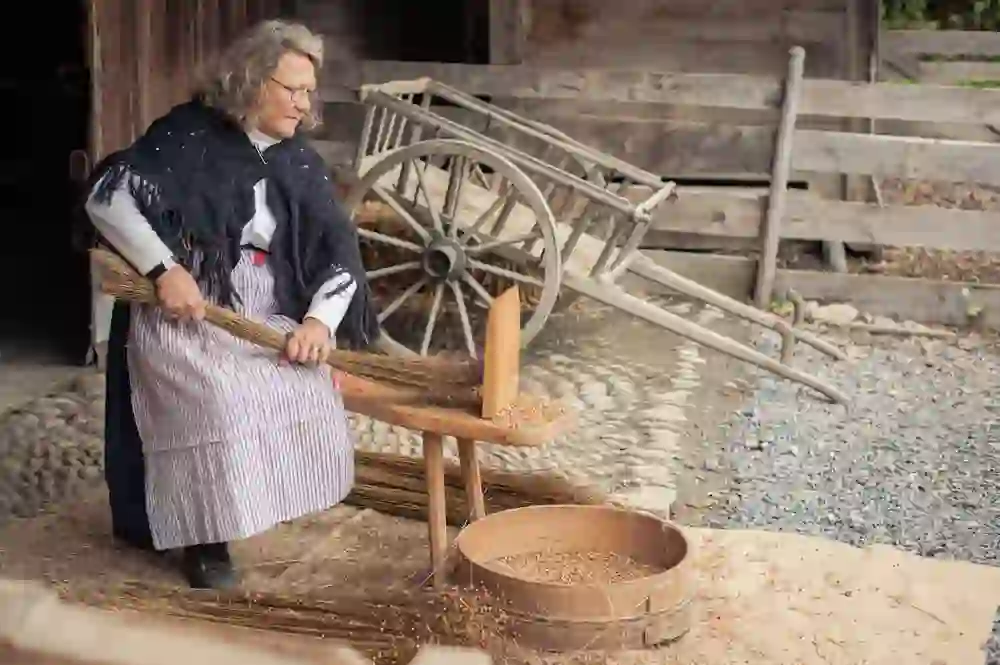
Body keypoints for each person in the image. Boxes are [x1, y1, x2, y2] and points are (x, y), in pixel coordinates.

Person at [83, 20, 378, 589]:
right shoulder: (189, 136)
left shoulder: (297, 160)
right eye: (290, 88)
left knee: (301, 384)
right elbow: (106, 198)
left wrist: (319, 320)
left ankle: (250, 502)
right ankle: (205, 541)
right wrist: (163, 268)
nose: (303, 103)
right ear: (250, 81)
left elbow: (340, 251)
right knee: (218, 399)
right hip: (188, 305)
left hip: (265, 304)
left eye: (307, 91)